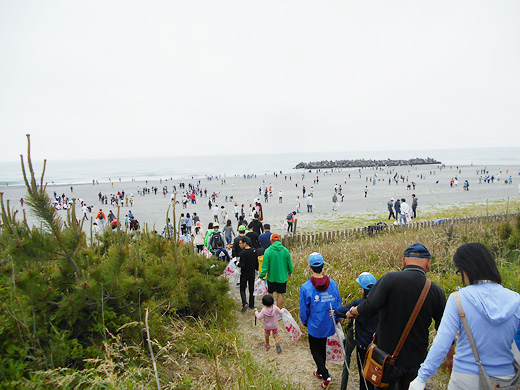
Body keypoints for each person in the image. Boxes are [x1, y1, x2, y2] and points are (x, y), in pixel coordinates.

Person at [409, 243, 520, 390]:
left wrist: (422, 377)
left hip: (464, 379)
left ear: (466, 270)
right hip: (505, 379)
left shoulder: (458, 300)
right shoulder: (516, 300)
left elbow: (442, 342)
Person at [346, 243, 447, 390]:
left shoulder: (390, 279)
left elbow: (370, 307)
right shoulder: (436, 291)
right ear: (428, 263)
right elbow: (444, 329)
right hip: (416, 362)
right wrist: (448, 356)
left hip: (387, 359)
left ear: (404, 261)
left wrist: (353, 311)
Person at [300, 252, 342, 389]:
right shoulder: (333, 284)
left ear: (310, 266)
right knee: (322, 346)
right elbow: (338, 303)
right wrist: (337, 318)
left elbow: (304, 308)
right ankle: (320, 371)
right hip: (328, 323)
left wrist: (304, 321)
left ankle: (326, 375)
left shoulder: (306, 287)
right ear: (323, 265)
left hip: (314, 324)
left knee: (315, 349)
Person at [333, 272, 379, 390]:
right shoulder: (381, 304)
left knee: (364, 374)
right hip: (378, 347)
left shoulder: (359, 304)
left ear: (363, 289)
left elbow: (344, 311)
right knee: (375, 374)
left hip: (363, 346)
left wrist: (334, 312)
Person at [260, 234, 293, 309]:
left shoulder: (268, 251)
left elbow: (265, 266)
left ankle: (271, 309)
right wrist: (290, 272)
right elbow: (289, 263)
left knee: (270, 292)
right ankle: (279, 311)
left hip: (271, 277)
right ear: (279, 240)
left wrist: (262, 275)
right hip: (282, 277)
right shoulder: (285, 250)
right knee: (280, 293)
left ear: (271, 240)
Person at [238, 237, 258, 312]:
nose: (239, 245)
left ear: (245, 243)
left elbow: (242, 265)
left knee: (242, 288)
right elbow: (256, 263)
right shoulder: (254, 251)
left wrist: (236, 263)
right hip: (252, 273)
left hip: (244, 273)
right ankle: (252, 304)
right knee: (251, 288)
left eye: (240, 243)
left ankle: (244, 303)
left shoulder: (242, 253)